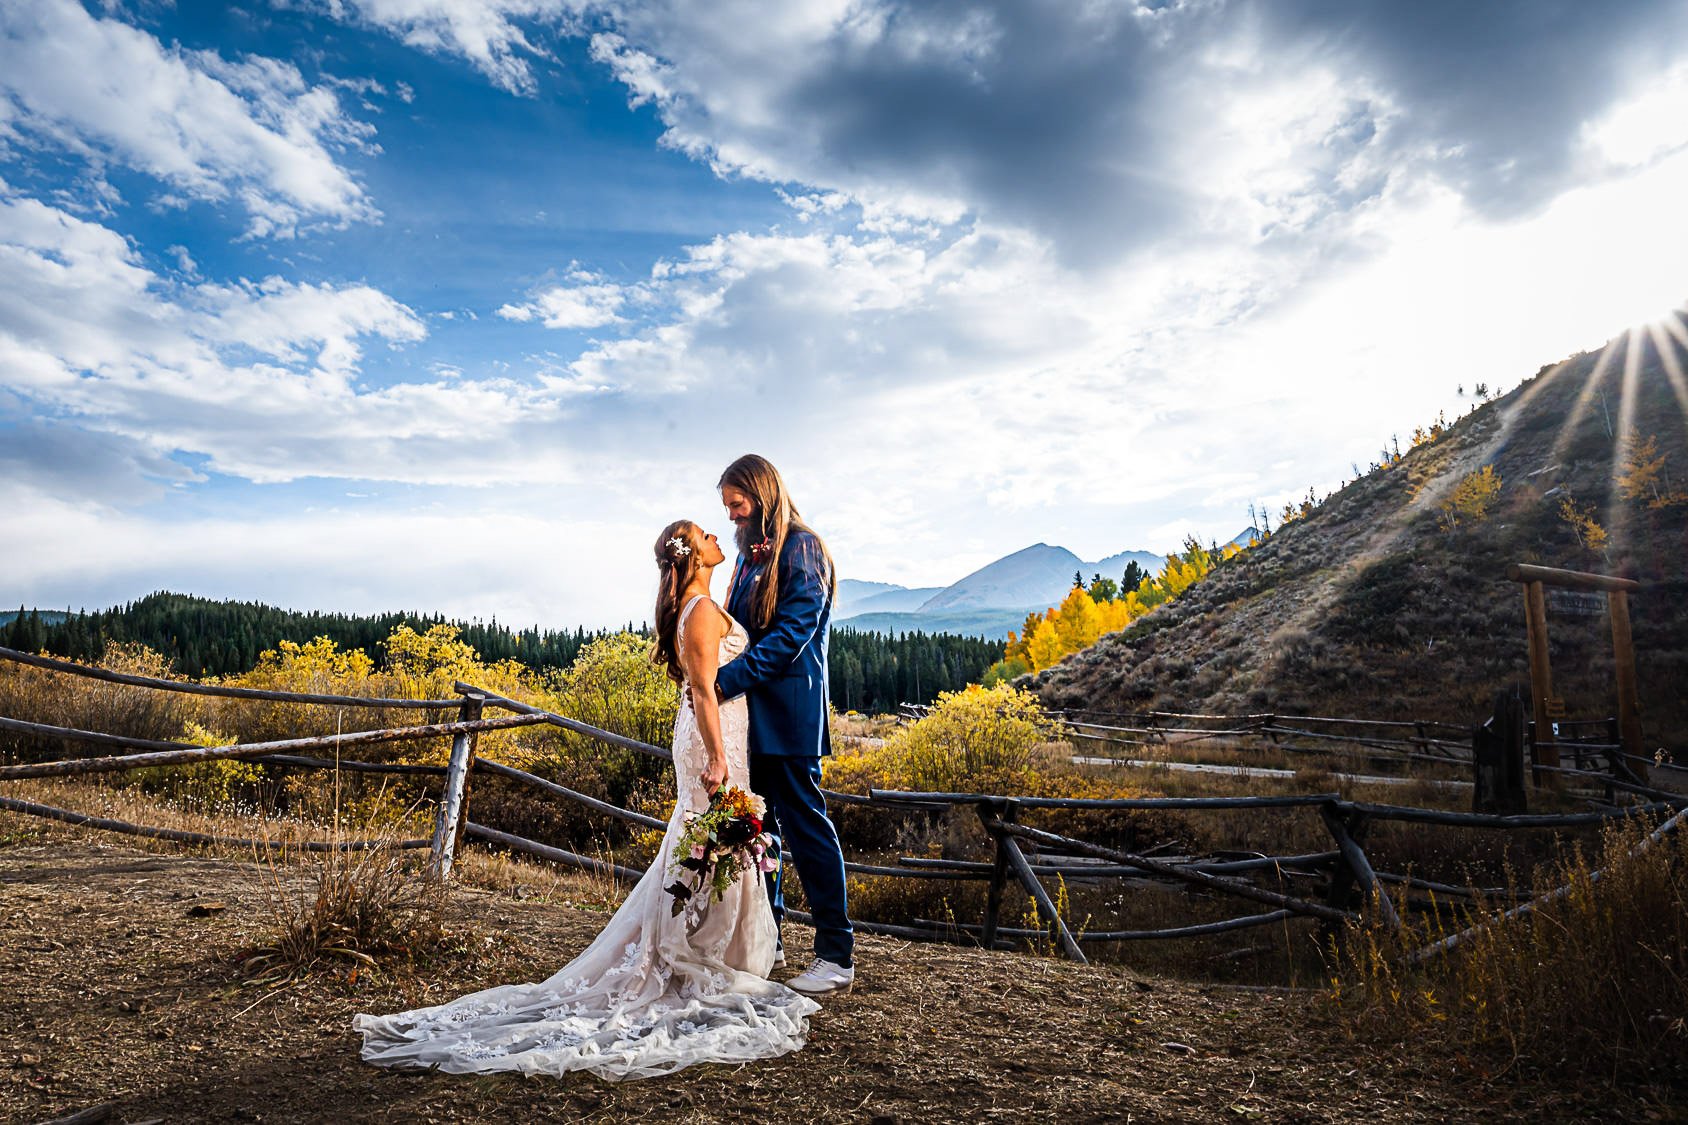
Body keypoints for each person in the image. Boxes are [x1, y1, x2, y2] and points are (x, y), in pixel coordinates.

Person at [353, 521, 818, 1080]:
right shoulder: (697, 612)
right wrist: (718, 758)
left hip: (725, 734)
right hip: (712, 739)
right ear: (693, 555)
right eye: (704, 532)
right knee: (710, 838)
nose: (718, 534)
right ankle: (690, 955)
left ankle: (712, 950)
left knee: (713, 842)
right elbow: (702, 689)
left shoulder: (702, 603)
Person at [715, 454, 854, 995]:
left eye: (737, 503)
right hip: (753, 718)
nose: (731, 515)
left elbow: (789, 638)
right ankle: (766, 944)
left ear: (762, 493)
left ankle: (835, 954)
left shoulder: (803, 547)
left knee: (807, 829)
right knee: (760, 834)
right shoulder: (751, 555)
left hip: (790, 718)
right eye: (726, 507)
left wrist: (726, 680)